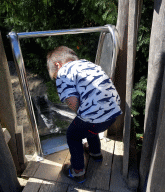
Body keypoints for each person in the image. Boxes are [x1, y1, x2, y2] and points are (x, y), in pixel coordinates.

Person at [47, 46, 122, 183]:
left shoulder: (63, 71)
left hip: (94, 120)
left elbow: (72, 101)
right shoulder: (88, 64)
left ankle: (77, 172)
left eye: (55, 75)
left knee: (73, 134)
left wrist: (79, 112)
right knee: (88, 121)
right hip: (114, 114)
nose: (57, 77)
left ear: (57, 65)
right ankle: (95, 153)